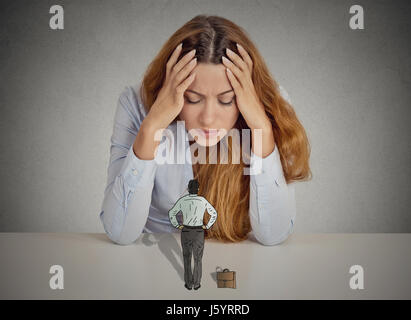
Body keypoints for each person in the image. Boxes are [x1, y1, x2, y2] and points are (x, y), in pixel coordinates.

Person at [99, 14, 311, 247]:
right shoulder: (135, 104)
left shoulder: (271, 107)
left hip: (235, 264)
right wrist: (152, 126)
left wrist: (261, 127)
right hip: (156, 258)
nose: (208, 118)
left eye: (227, 100)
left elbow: (274, 234)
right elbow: (120, 232)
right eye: (192, 99)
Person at [168, 179, 217, 290]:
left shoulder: (183, 200)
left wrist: (177, 225)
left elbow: (172, 213)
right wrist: (208, 226)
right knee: (198, 258)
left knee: (186, 257)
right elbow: (214, 213)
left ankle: (188, 284)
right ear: (198, 189)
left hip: (186, 231)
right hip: (199, 231)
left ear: (188, 189)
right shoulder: (202, 200)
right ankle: (197, 283)